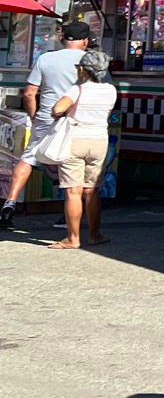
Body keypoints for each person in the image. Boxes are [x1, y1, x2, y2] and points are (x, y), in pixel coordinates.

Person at [2, 20, 91, 231]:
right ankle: (67, 215)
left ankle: (9, 204)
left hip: (46, 117)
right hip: (77, 120)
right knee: (72, 167)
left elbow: (30, 93)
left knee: (28, 158)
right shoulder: (92, 61)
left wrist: (34, 116)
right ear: (85, 41)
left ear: (62, 38)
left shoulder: (46, 58)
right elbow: (101, 91)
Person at [48, 48, 116, 250]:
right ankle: (95, 235)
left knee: (72, 191)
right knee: (92, 190)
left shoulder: (77, 90)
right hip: (99, 141)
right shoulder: (111, 91)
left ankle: (73, 238)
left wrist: (63, 112)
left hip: (75, 140)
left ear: (85, 70)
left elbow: (57, 109)